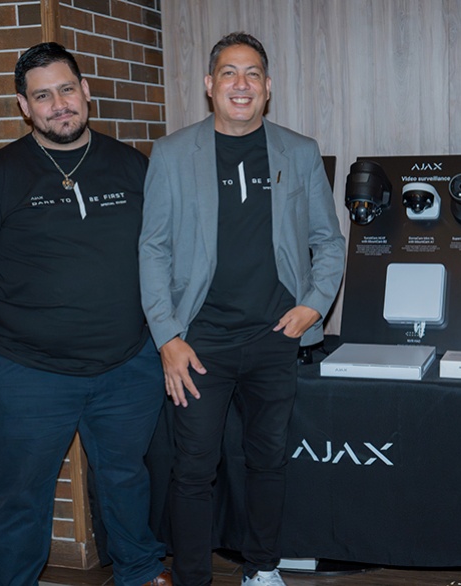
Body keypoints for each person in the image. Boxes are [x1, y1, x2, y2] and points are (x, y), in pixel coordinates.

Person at [138, 32, 346, 586]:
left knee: (268, 461)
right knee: (193, 470)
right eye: (229, 72)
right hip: (198, 342)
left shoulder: (299, 152)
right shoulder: (172, 153)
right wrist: (167, 337)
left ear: (268, 86)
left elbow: (328, 242)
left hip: (275, 337)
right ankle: (193, 577)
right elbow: (153, 249)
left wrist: (313, 305)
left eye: (252, 73)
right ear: (210, 84)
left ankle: (262, 568)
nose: (241, 84)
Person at [0, 43, 171, 586]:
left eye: (67, 89)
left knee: (127, 483)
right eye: (42, 96)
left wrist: (161, 344)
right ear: (24, 106)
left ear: (86, 92)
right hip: (27, 375)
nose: (59, 104)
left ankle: (141, 572)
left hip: (127, 369)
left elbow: (164, 257)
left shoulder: (133, 167)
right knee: (20, 499)